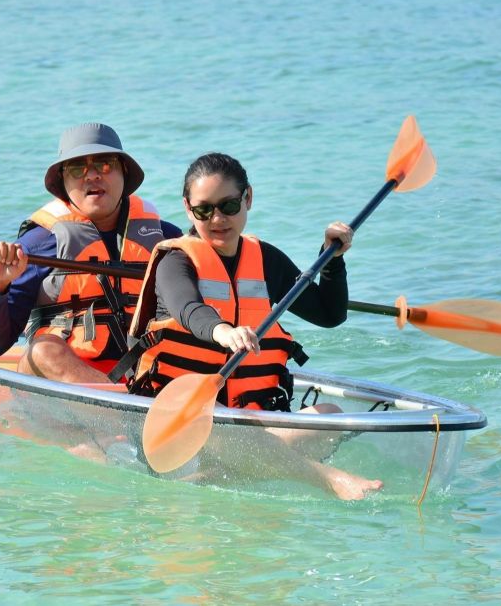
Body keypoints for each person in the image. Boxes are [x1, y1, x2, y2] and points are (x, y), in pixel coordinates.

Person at [126, 152, 383, 500]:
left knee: (329, 415)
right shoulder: (176, 261)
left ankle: (227, 474)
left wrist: (332, 260)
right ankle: (327, 479)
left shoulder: (264, 259)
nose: (217, 218)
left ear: (248, 198)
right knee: (219, 431)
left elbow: (329, 314)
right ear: (188, 209)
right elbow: (189, 309)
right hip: (182, 426)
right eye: (204, 210)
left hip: (250, 424)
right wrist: (224, 331)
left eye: (229, 205)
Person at [0, 123, 182, 384]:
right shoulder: (37, 245)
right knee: (43, 351)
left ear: (124, 172)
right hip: (68, 381)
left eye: (104, 164)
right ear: (63, 181)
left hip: (148, 375)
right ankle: (124, 413)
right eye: (78, 168)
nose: (92, 176)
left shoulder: (167, 239)